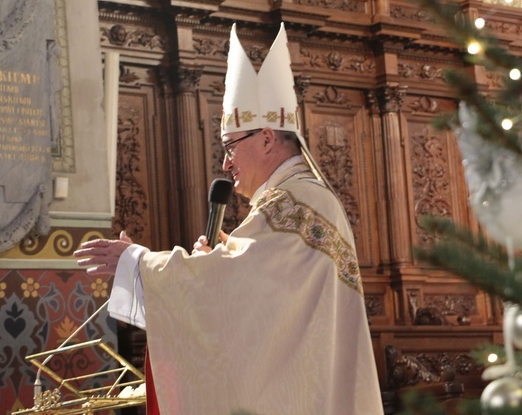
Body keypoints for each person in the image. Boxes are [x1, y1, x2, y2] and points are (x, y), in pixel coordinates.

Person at [75, 23, 383, 414]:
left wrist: (137, 262)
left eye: (230, 147)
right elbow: (266, 302)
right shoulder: (303, 198)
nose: (225, 162)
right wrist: (218, 261)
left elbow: (246, 291)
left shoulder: (291, 203)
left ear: (268, 139)